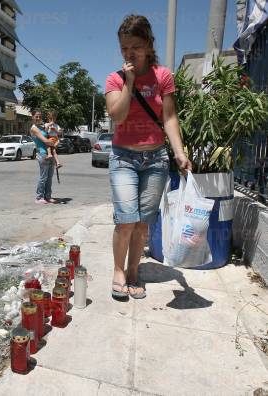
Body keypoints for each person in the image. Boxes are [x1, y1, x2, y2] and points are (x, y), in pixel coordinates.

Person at [105, 15, 191, 299]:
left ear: (149, 45)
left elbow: (169, 117)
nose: (129, 53)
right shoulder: (114, 79)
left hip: (155, 160)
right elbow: (117, 116)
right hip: (123, 159)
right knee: (126, 220)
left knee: (143, 223)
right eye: (124, 48)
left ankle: (133, 272)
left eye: (136, 47)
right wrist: (130, 82)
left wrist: (179, 152)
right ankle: (118, 270)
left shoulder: (163, 76)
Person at [30, 110, 58, 204]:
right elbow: (45, 141)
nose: (38, 118)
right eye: (36, 116)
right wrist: (55, 142)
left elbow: (51, 126)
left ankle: (48, 196)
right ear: (32, 117)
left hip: (50, 154)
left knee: (49, 177)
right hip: (42, 154)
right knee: (43, 177)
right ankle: (39, 197)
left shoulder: (42, 126)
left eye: (40, 116)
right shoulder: (34, 128)